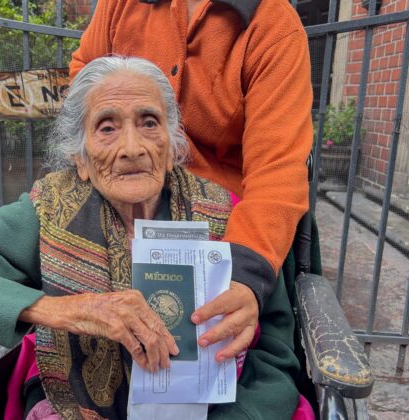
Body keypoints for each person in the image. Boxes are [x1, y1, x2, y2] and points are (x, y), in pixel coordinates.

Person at [0, 56, 302, 419]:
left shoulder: (228, 217)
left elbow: (275, 356)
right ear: (80, 158)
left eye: (149, 123)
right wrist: (64, 310)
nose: (132, 147)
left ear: (172, 147)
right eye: (107, 128)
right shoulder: (52, 212)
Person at [69, 0, 314, 365]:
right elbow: (86, 81)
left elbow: (277, 168)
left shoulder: (273, 25)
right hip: (123, 206)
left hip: (228, 228)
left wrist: (243, 276)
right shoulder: (119, 5)